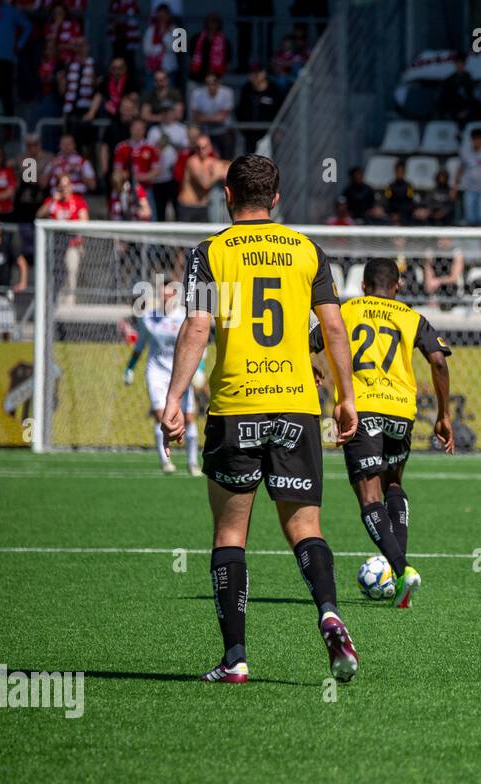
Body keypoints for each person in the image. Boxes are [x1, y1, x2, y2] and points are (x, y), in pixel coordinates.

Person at [161, 154, 360, 685]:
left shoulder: (209, 253)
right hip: (296, 402)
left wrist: (175, 397)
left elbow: (198, 327)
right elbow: (335, 329)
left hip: (236, 405)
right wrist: (345, 397)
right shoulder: (307, 250)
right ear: (276, 199)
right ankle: (328, 614)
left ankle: (235, 659)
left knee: (230, 533)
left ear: (226, 195)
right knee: (306, 527)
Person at [338, 257, 453, 609]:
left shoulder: (345, 311)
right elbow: (438, 361)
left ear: (362, 286)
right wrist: (443, 414)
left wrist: (315, 371)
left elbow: (306, 343)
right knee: (393, 485)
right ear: (398, 286)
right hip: (401, 410)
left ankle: (401, 569)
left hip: (364, 408)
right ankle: (399, 574)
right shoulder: (411, 316)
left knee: (369, 497)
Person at [124, 281, 197, 474]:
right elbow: (140, 345)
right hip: (157, 372)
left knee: (189, 418)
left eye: (169, 294)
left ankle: (192, 462)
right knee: (160, 415)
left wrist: (199, 369)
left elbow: (197, 345)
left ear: (175, 295)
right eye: (162, 294)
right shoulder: (149, 318)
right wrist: (129, 368)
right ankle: (166, 461)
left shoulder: (184, 317)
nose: (165, 297)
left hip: (181, 372)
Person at [176, 134, 228, 222]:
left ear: (210, 147)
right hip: (188, 207)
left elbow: (228, 168)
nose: (201, 150)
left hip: (203, 207)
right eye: (198, 147)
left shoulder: (212, 162)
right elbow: (205, 184)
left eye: (204, 147)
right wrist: (217, 174)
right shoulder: (193, 162)